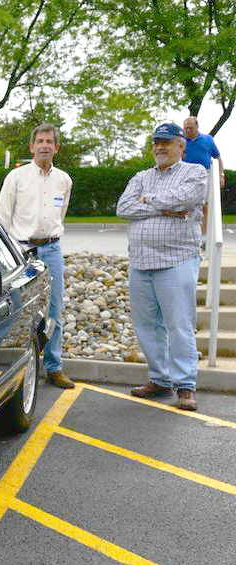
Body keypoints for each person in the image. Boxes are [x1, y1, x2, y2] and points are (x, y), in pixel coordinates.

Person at [116, 122, 208, 411]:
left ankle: (185, 385)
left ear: (181, 145)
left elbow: (186, 199)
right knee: (147, 326)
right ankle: (159, 379)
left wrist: (149, 201)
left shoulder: (195, 172)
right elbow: (123, 208)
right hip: (141, 262)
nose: (159, 147)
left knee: (179, 325)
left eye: (166, 142)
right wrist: (169, 210)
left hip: (176, 259)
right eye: (156, 142)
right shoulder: (142, 176)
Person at [0, 123, 74, 388]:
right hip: (21, 251)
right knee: (13, 307)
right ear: (31, 147)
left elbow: (59, 216)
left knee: (54, 309)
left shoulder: (64, 180)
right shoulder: (16, 178)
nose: (44, 145)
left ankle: (54, 366)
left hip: (51, 249)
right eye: (39, 141)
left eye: (49, 141)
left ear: (56, 148)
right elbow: (1, 219)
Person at [182, 115, 224, 237]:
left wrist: (221, 175)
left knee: (205, 206)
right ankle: (187, 235)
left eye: (190, 128)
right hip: (186, 174)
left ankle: (204, 236)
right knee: (187, 205)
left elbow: (218, 158)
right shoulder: (181, 141)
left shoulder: (208, 139)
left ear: (197, 127)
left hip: (205, 174)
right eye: (186, 128)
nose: (188, 131)